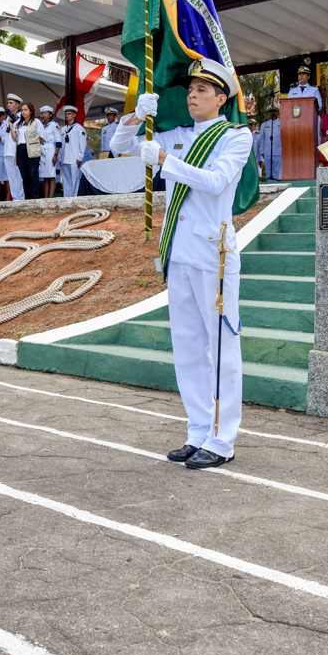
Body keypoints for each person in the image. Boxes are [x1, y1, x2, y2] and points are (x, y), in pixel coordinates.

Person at [111, 58, 252, 469]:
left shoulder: (234, 137)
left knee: (222, 347)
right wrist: (138, 115)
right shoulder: (175, 136)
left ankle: (223, 440)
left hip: (215, 255)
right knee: (188, 348)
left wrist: (165, 162)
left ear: (221, 98)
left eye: (201, 91)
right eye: (190, 91)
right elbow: (120, 145)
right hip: (178, 252)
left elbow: (215, 182)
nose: (192, 96)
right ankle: (197, 432)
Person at [11, 101, 44, 200]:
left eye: (26, 110)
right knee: (24, 177)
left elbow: (42, 138)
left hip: (31, 150)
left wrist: (33, 145)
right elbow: (14, 138)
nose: (23, 112)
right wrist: (11, 127)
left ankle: (34, 198)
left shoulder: (36, 122)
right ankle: (27, 198)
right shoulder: (19, 124)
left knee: (33, 176)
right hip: (20, 150)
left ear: (31, 111)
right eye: (22, 110)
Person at [288, 65, 322, 141]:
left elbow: (319, 105)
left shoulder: (314, 90)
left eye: (303, 74)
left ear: (308, 76)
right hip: (296, 121)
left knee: (310, 140)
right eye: (299, 74)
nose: (301, 76)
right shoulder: (292, 91)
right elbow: (288, 106)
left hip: (310, 121)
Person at [59, 105, 87, 197]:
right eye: (66, 114)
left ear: (74, 115)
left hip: (74, 159)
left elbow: (82, 144)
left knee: (75, 180)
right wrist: (60, 157)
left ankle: (74, 198)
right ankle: (67, 199)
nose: (67, 116)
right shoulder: (63, 129)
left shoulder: (79, 128)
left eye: (69, 114)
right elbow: (60, 145)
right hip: (64, 159)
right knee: (66, 181)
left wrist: (80, 157)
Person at [3, 94, 25, 200]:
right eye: (8, 103)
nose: (8, 105)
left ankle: (20, 198)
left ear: (17, 105)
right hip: (7, 150)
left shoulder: (22, 117)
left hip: (16, 150)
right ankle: (15, 197)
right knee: (11, 177)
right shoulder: (8, 117)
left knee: (18, 176)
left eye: (11, 103)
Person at [39, 106, 61, 200]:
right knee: (45, 176)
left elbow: (58, 142)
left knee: (51, 175)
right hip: (42, 149)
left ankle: (50, 198)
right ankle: (46, 198)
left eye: (46, 113)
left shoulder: (54, 125)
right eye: (42, 113)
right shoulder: (42, 125)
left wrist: (55, 155)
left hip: (51, 149)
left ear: (50, 114)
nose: (43, 115)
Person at [257, 104, 281, 180]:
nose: (272, 113)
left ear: (278, 112)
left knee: (278, 172)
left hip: (279, 151)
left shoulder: (282, 123)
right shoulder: (264, 124)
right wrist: (262, 152)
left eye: (274, 111)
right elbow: (261, 139)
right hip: (267, 152)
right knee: (269, 172)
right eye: (270, 112)